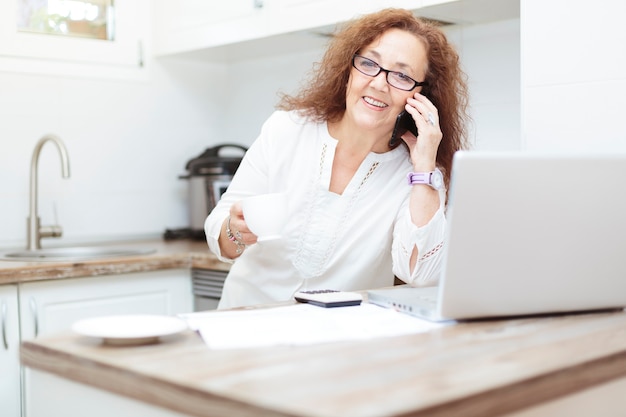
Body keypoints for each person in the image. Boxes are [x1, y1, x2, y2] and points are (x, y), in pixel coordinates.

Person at [205, 8, 470, 309]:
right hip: (243, 328)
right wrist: (234, 230)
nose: (380, 84)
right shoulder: (286, 129)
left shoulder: (419, 174)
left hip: (339, 342)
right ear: (349, 69)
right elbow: (218, 231)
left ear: (422, 96)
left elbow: (420, 274)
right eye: (369, 64)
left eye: (402, 75)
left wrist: (425, 166)